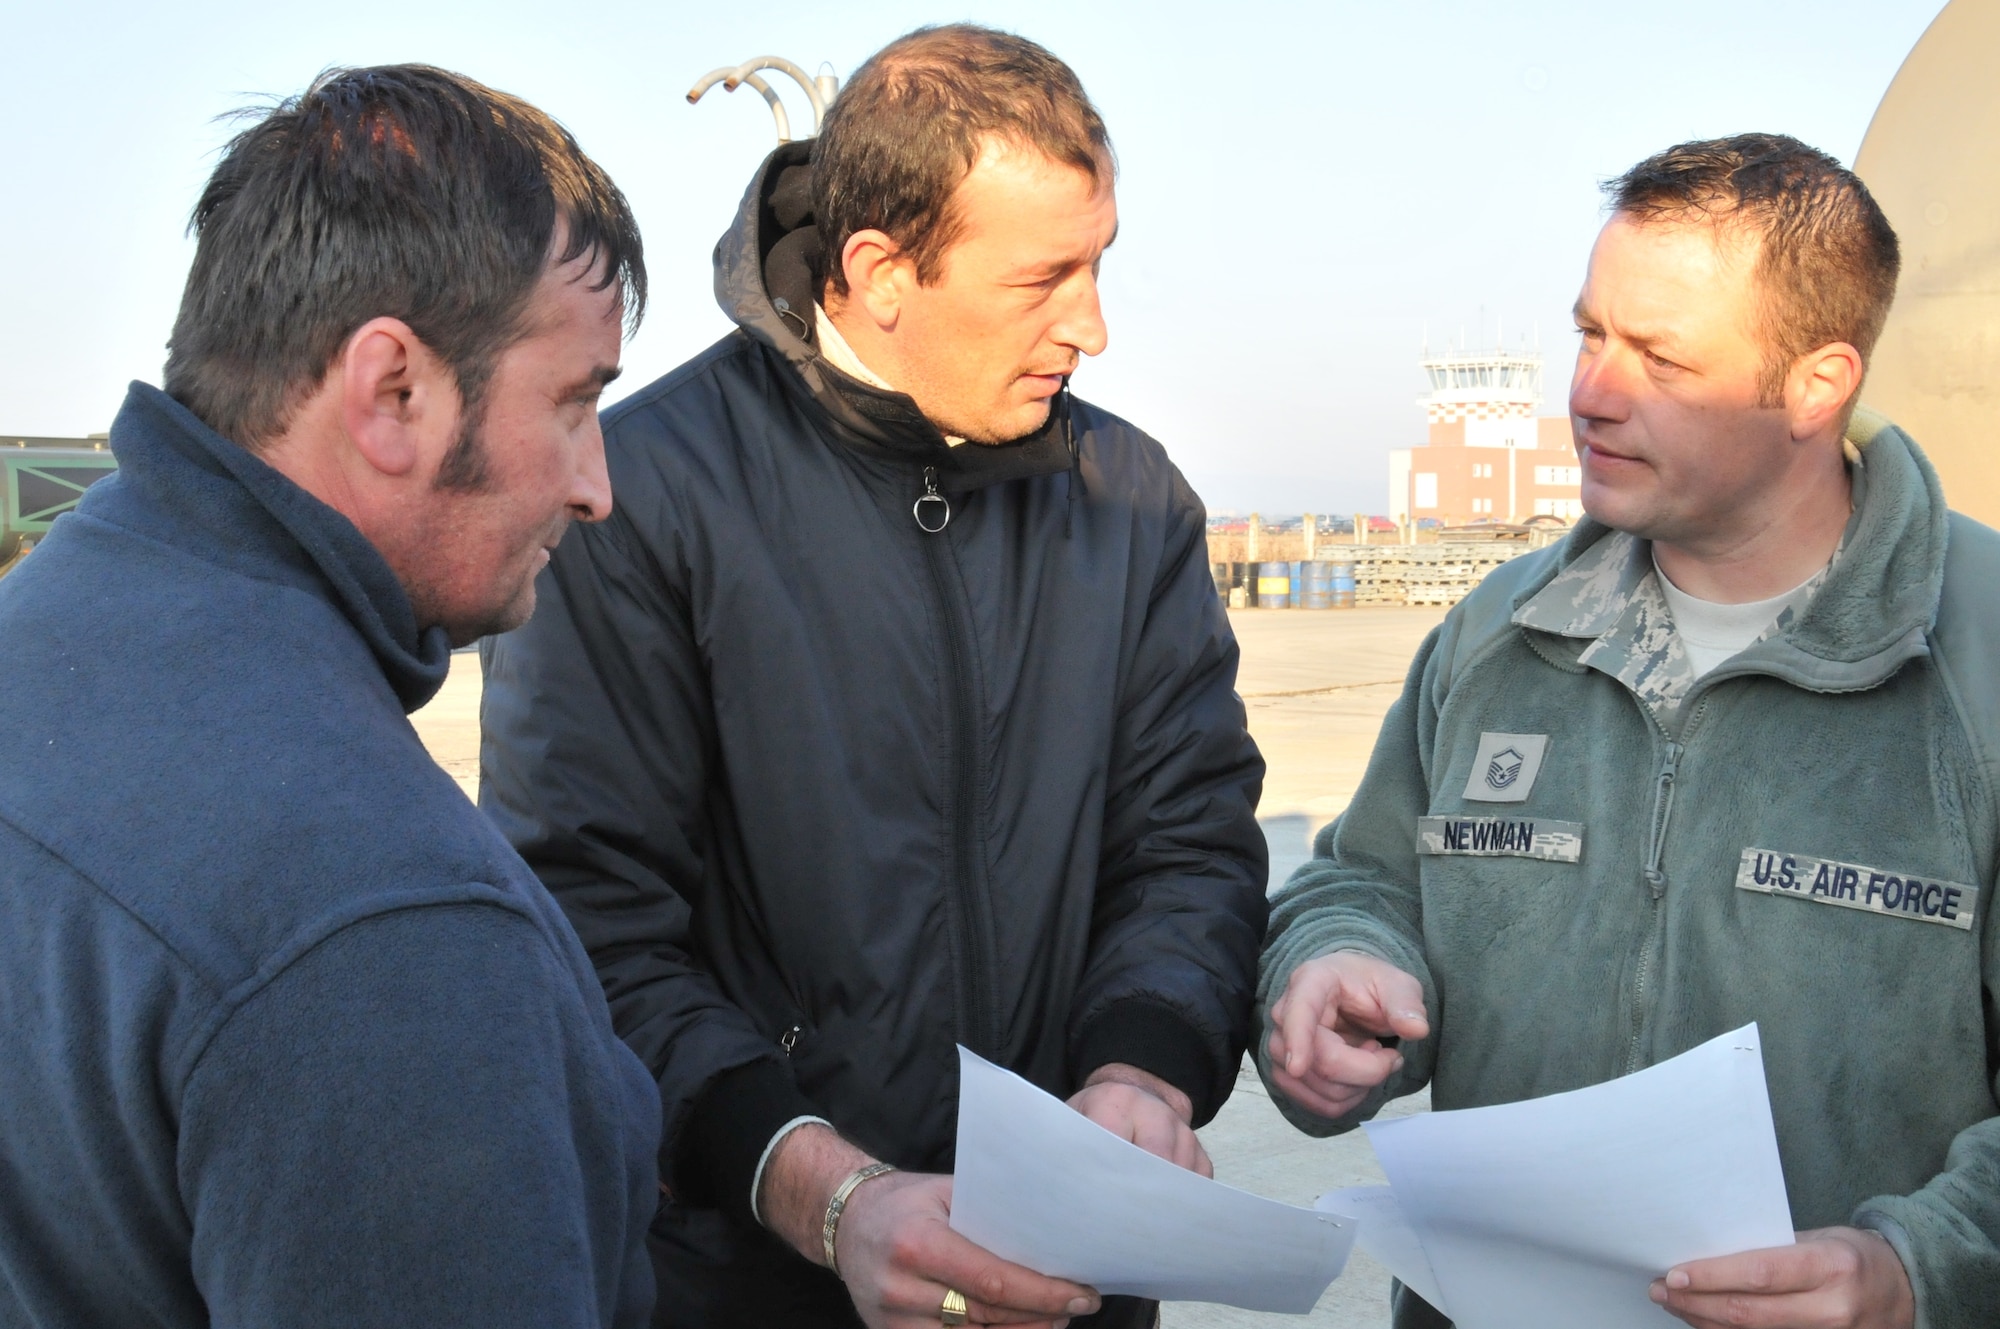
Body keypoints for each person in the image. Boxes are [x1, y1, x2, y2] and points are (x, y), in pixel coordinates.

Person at [480, 23, 1267, 1329]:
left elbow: (1188, 847)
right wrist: (823, 1192)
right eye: (1043, 279)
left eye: (1099, 263)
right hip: (742, 1286)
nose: (1093, 325)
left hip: (1068, 1286)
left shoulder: (1130, 500)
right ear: (881, 274)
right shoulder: (634, 498)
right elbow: (585, 923)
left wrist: (1143, 1068)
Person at [1259, 133, 2000, 1329]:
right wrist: (1335, 962)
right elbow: (1362, 877)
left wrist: (1916, 1269)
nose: (1592, 393)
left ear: (1814, 386)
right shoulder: (1499, 635)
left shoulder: (1974, 660)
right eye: (1588, 335)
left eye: (1659, 357)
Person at [0, 66, 660, 1327]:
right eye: (575, 403)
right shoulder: (386, 928)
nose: (595, 487)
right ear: (391, 392)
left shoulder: (44, 629)